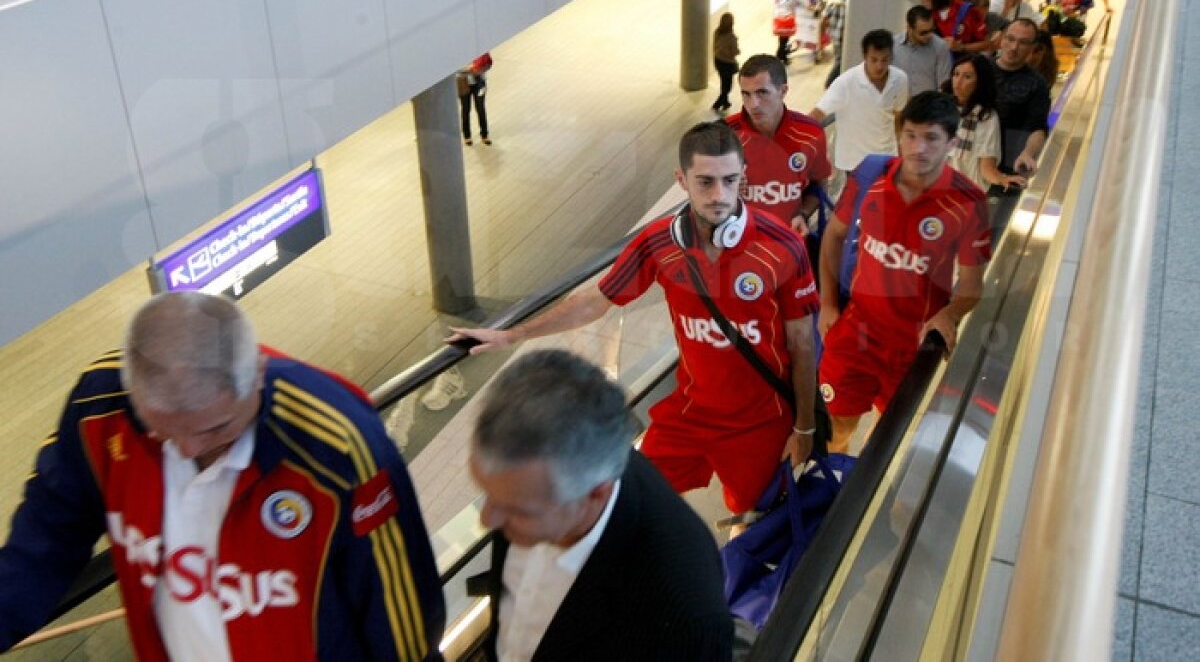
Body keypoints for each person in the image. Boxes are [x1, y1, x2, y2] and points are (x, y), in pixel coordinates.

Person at [0, 292, 445, 660]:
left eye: (216, 428)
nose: (190, 450)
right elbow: (44, 540)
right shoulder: (100, 409)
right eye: (163, 431)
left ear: (257, 376)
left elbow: (401, 616)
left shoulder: (337, 443)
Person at [449, 121, 821, 516]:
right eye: (705, 182)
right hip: (689, 413)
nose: (720, 196)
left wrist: (805, 426)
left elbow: (802, 345)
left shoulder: (782, 246)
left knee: (755, 522)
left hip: (761, 422)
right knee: (624, 501)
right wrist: (511, 335)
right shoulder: (658, 243)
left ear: (744, 175)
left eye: (730, 180)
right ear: (681, 180)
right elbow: (595, 300)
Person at [466, 350, 733, 662]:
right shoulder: (540, 472)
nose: (487, 520)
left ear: (595, 494)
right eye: (486, 493)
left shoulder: (685, 617)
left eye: (518, 510)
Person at [816, 92, 991, 452]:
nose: (918, 147)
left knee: (888, 444)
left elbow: (972, 285)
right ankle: (826, 493)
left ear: (951, 143)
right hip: (855, 334)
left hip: (911, 349)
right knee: (833, 428)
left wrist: (951, 312)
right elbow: (833, 237)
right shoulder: (870, 176)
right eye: (910, 135)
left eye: (931, 138)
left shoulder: (968, 202)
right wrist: (828, 304)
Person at [727, 54, 831, 234]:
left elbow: (819, 185)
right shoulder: (724, 134)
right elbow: (700, 192)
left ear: (783, 91)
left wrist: (803, 214)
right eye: (746, 94)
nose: (753, 104)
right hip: (738, 245)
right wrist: (726, 184)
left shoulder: (811, 133)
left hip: (788, 245)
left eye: (762, 93)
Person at [811, 29, 909, 176]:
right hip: (855, 162)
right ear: (864, 56)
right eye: (874, 60)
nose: (879, 66)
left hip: (888, 157)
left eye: (885, 60)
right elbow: (817, 114)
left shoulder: (900, 79)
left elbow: (898, 115)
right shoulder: (845, 83)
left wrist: (901, 150)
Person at [990, 18, 1051, 227]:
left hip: (1008, 169)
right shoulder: (978, 70)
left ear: (1033, 48)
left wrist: (1028, 152)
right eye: (1010, 39)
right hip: (971, 163)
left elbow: (1038, 127)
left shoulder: (1037, 84)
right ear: (1001, 39)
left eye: (1023, 43)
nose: (1014, 47)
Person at [943, 54, 1026, 193]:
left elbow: (987, 168)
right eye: (956, 74)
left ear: (979, 83)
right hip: (937, 190)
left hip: (967, 195)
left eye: (967, 77)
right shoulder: (940, 106)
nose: (958, 82)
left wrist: (1003, 179)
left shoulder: (986, 117)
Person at [892, 5, 952, 95]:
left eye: (931, 30)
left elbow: (944, 85)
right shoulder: (893, 45)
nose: (929, 35)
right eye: (923, 33)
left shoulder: (940, 47)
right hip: (897, 104)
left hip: (927, 106)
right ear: (909, 29)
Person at [772, 0, 805, 64]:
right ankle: (780, 56)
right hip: (787, 17)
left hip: (778, 16)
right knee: (785, 38)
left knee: (782, 38)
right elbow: (801, 1)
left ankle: (782, 55)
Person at [457, 52, 492, 146]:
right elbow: (455, 69)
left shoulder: (479, 48)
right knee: (466, 109)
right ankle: (467, 136)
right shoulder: (458, 51)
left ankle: (484, 134)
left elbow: (488, 63)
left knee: (481, 108)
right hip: (463, 83)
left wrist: (482, 68)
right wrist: (471, 69)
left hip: (480, 83)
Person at [822, 0, 849, 88]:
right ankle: (829, 83)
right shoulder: (848, 5)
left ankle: (834, 83)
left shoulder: (833, 3)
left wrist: (823, 33)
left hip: (834, 37)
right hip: (844, 39)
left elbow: (824, 19)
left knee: (839, 59)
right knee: (840, 61)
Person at [712, 12, 740, 112]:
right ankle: (718, 103)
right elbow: (734, 52)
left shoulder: (717, 32)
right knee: (728, 87)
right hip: (727, 64)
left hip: (718, 60)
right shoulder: (732, 37)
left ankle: (726, 103)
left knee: (723, 82)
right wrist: (738, 51)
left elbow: (715, 45)